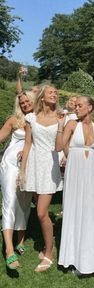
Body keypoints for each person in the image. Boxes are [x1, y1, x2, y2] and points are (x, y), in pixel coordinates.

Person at [56, 96, 94, 275]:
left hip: (90, 174)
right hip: (75, 173)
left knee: (91, 211)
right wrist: (59, 127)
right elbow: (59, 147)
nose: (76, 108)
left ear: (90, 107)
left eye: (80, 105)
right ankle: (73, 257)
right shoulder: (72, 124)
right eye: (76, 105)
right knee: (74, 209)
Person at [19, 85, 62, 272]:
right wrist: (22, 171)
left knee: (42, 212)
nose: (55, 94)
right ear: (42, 97)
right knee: (39, 208)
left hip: (50, 165)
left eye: (56, 93)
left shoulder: (61, 117)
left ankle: (49, 254)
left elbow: (62, 143)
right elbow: (28, 145)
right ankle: (47, 241)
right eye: (51, 92)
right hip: (34, 165)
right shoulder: (31, 118)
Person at [0, 91, 35, 270]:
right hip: (10, 165)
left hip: (29, 167)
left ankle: (20, 239)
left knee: (24, 202)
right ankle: (9, 249)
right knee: (10, 201)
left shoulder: (39, 119)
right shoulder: (15, 120)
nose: (25, 104)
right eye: (21, 103)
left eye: (27, 101)